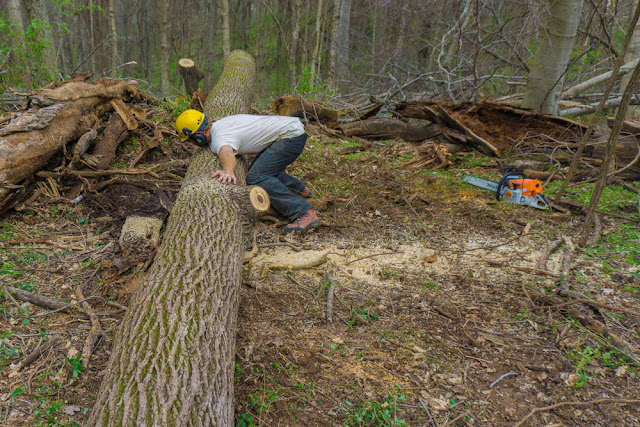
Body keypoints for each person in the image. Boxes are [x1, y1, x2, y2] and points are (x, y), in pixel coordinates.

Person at [175, 109, 320, 235]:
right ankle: (299, 190)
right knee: (260, 171)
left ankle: (304, 213)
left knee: (257, 177)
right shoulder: (220, 124)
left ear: (198, 137)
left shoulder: (220, 138)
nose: (192, 144)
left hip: (290, 137)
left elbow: (226, 152)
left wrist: (228, 171)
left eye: (191, 140)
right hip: (289, 130)